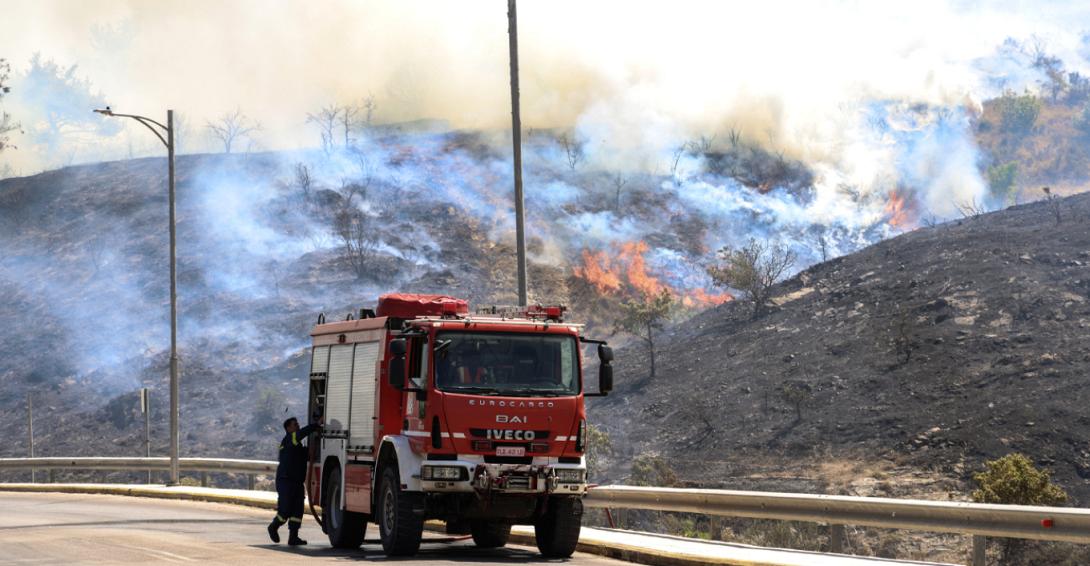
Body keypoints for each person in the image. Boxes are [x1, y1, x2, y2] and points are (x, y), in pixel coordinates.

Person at [267, 416, 321, 545]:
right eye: (295, 425)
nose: (297, 426)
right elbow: (301, 434)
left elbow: (305, 454)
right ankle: (274, 526)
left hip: (297, 482)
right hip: (286, 481)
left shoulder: (296, 445)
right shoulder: (289, 439)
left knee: (297, 510)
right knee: (285, 511)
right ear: (288, 428)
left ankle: (293, 537)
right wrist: (316, 425)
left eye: (298, 424)